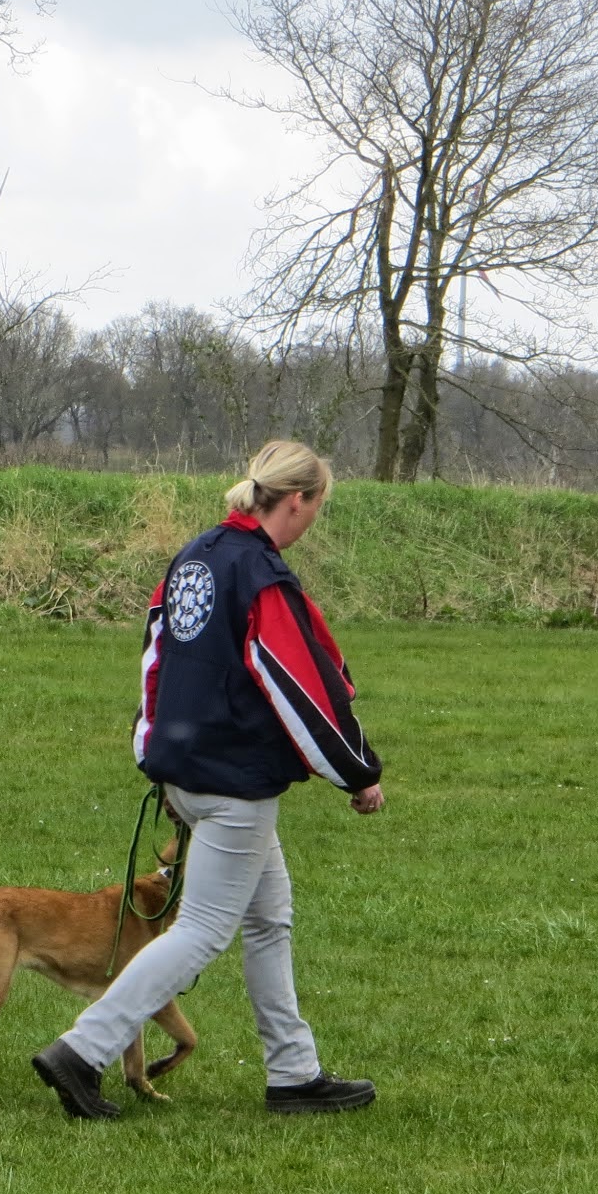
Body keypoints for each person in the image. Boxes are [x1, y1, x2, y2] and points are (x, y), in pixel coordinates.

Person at [32, 439, 385, 1120]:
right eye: (319, 504)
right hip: (233, 782)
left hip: (185, 770)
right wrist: (357, 771)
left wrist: (154, 749)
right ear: (297, 500)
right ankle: (81, 1050)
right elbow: (298, 683)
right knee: (201, 931)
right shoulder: (260, 574)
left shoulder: (195, 557)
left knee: (269, 919)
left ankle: (294, 1073)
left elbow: (155, 658)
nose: (316, 517)